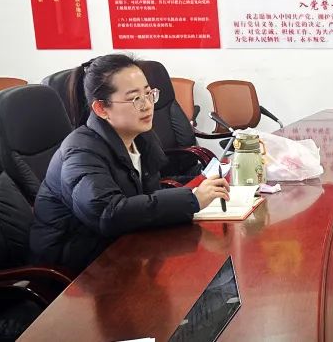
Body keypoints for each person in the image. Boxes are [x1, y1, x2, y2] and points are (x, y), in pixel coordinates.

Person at [31, 54, 230, 273]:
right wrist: (191, 199)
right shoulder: (80, 152)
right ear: (101, 109)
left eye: (148, 93)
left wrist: (201, 186)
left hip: (123, 246)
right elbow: (108, 214)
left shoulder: (139, 136)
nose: (147, 105)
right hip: (75, 267)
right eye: (135, 98)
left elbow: (148, 191)